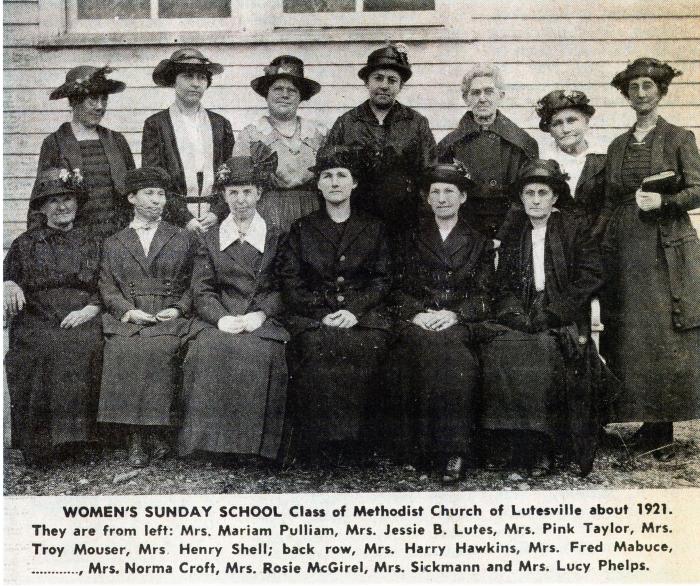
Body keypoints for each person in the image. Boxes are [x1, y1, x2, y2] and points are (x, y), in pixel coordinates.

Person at [480, 160, 606, 477]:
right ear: (521, 199)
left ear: (554, 198)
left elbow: (590, 277)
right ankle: (516, 441)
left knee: (544, 350)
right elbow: (504, 284)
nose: (535, 200)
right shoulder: (514, 234)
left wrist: (553, 312)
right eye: (529, 193)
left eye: (542, 192)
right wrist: (514, 312)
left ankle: (541, 445)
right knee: (501, 347)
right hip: (522, 312)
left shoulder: (575, 230)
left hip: (561, 313)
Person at [601, 58, 700, 459]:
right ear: (625, 95)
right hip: (626, 247)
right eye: (634, 87)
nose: (641, 93)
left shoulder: (679, 137)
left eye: (648, 86)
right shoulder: (617, 145)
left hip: (666, 247)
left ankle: (664, 428)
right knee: (632, 332)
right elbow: (610, 198)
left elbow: (697, 189)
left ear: (660, 91)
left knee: (664, 333)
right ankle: (645, 421)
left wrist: (666, 200)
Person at [279, 146, 392, 462]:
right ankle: (321, 444)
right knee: (318, 346)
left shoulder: (374, 227)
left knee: (367, 346)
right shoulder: (302, 229)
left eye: (342, 175)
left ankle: (361, 444)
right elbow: (291, 280)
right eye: (327, 176)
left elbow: (383, 278)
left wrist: (353, 310)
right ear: (317, 184)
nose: (334, 182)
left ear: (355, 183)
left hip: (363, 315)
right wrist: (323, 313)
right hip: (314, 316)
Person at [178, 150, 290, 462]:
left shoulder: (277, 236)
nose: (240, 200)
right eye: (233, 193)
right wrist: (220, 318)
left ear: (259, 194)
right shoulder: (210, 238)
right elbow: (201, 288)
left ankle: (257, 449)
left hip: (261, 316)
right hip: (221, 314)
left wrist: (261, 313)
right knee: (207, 350)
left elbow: (285, 286)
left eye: (247, 192)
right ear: (224, 196)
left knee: (263, 351)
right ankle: (209, 444)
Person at [392, 163, 493, 483]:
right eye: (435, 191)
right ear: (427, 199)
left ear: (463, 197)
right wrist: (417, 313)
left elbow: (485, 290)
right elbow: (397, 287)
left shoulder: (479, 241)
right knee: (417, 347)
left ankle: (454, 451)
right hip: (420, 317)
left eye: (449, 191)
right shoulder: (410, 238)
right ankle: (418, 449)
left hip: (457, 318)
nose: (442, 197)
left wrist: (455, 314)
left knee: (454, 354)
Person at [98, 167, 200, 467]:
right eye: (149, 194)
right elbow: (107, 284)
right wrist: (127, 311)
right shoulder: (114, 241)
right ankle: (136, 438)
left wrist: (179, 308)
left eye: (161, 194)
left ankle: (156, 433)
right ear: (131, 197)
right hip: (130, 315)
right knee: (122, 348)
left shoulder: (183, 237)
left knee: (160, 348)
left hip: (168, 314)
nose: (157, 201)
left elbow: (197, 282)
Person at [4, 168, 103, 466]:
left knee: (84, 344)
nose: (62, 207)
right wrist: (7, 283)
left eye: (67, 199)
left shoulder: (94, 241)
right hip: (37, 314)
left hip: (83, 312)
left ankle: (79, 440)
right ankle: (40, 445)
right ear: (42, 207)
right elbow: (9, 277)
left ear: (77, 202)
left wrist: (91, 309)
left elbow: (108, 283)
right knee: (40, 348)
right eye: (53, 201)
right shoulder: (25, 243)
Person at [324, 44, 436, 239]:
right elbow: (329, 174)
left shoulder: (416, 123)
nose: (384, 85)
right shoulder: (347, 123)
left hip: (405, 223)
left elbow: (429, 174)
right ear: (367, 83)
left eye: (392, 80)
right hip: (357, 223)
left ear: (400, 86)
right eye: (378, 78)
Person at [30, 66, 135, 239]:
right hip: (73, 242)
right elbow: (40, 201)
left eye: (104, 99)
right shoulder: (55, 143)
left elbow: (133, 193)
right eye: (93, 99)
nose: (100, 106)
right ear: (74, 101)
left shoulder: (117, 141)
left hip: (117, 240)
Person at [437, 63, 538, 242]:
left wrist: (502, 237)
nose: (482, 98)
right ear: (466, 98)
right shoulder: (449, 145)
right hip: (465, 236)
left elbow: (526, 196)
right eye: (475, 93)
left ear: (501, 96)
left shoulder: (522, 143)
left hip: (511, 233)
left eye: (489, 91)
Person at [142, 48, 234, 233]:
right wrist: (185, 218)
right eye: (188, 76)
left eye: (201, 77)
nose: (196, 83)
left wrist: (217, 213)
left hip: (215, 220)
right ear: (173, 81)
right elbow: (155, 179)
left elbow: (230, 175)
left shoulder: (220, 124)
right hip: (173, 220)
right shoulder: (157, 125)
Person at [234, 55, 327, 233]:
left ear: (301, 96)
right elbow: (241, 185)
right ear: (266, 94)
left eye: (292, 90)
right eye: (277, 89)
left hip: (313, 213)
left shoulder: (318, 134)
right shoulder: (251, 135)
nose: (284, 95)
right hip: (267, 215)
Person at [535, 89, 607, 236]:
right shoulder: (543, 163)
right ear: (549, 129)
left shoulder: (605, 158)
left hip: (600, 241)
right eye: (557, 123)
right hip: (558, 241)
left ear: (586, 122)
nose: (566, 129)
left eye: (572, 120)